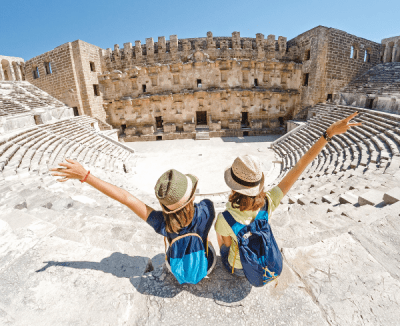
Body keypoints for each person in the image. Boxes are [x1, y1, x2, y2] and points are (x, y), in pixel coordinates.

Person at [215, 111, 362, 276]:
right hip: (261, 261)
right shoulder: (268, 202)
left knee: (222, 245)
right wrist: (328, 134)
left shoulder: (224, 218)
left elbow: (226, 246)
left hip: (241, 269)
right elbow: (299, 166)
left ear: (233, 187)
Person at [50, 164, 217, 281]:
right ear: (192, 197)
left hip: (176, 270)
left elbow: (126, 199)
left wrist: (86, 176)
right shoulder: (207, 209)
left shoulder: (162, 222)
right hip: (205, 266)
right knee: (206, 241)